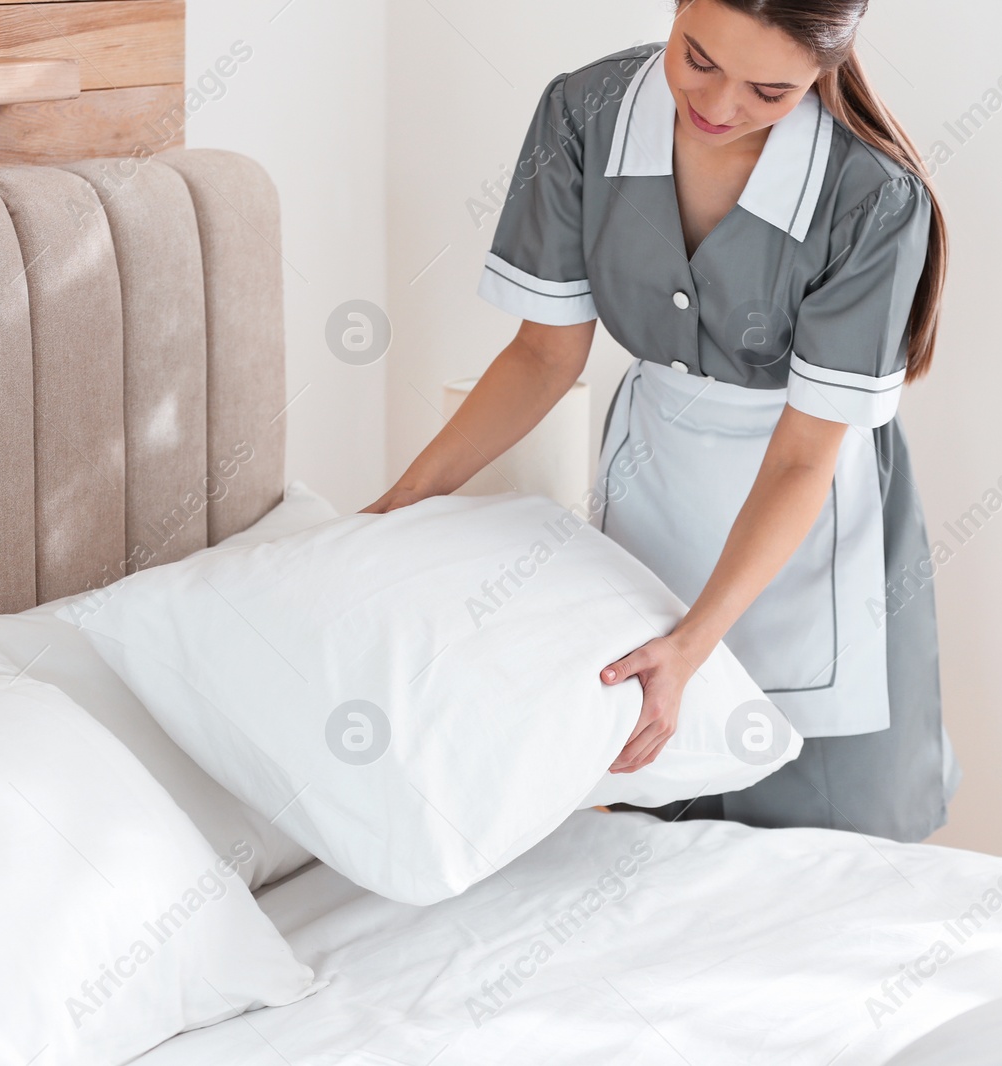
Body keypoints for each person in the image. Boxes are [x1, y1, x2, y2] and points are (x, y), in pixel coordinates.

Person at [364, 0, 959, 842]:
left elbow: (802, 457)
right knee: (649, 839)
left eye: (769, 91)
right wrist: (401, 503)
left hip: (811, 513)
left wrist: (693, 647)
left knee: (827, 850)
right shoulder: (584, 115)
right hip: (655, 483)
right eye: (700, 58)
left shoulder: (871, 198)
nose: (718, 106)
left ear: (824, 68)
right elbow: (544, 356)